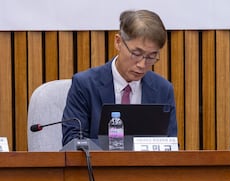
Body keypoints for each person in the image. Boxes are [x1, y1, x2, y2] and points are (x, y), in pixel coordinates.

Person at [62, 9, 177, 146]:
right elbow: (73, 142)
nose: (142, 65)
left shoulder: (163, 89)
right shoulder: (85, 85)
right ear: (118, 42)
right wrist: (121, 148)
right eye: (136, 53)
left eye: (151, 57)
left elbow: (171, 145)